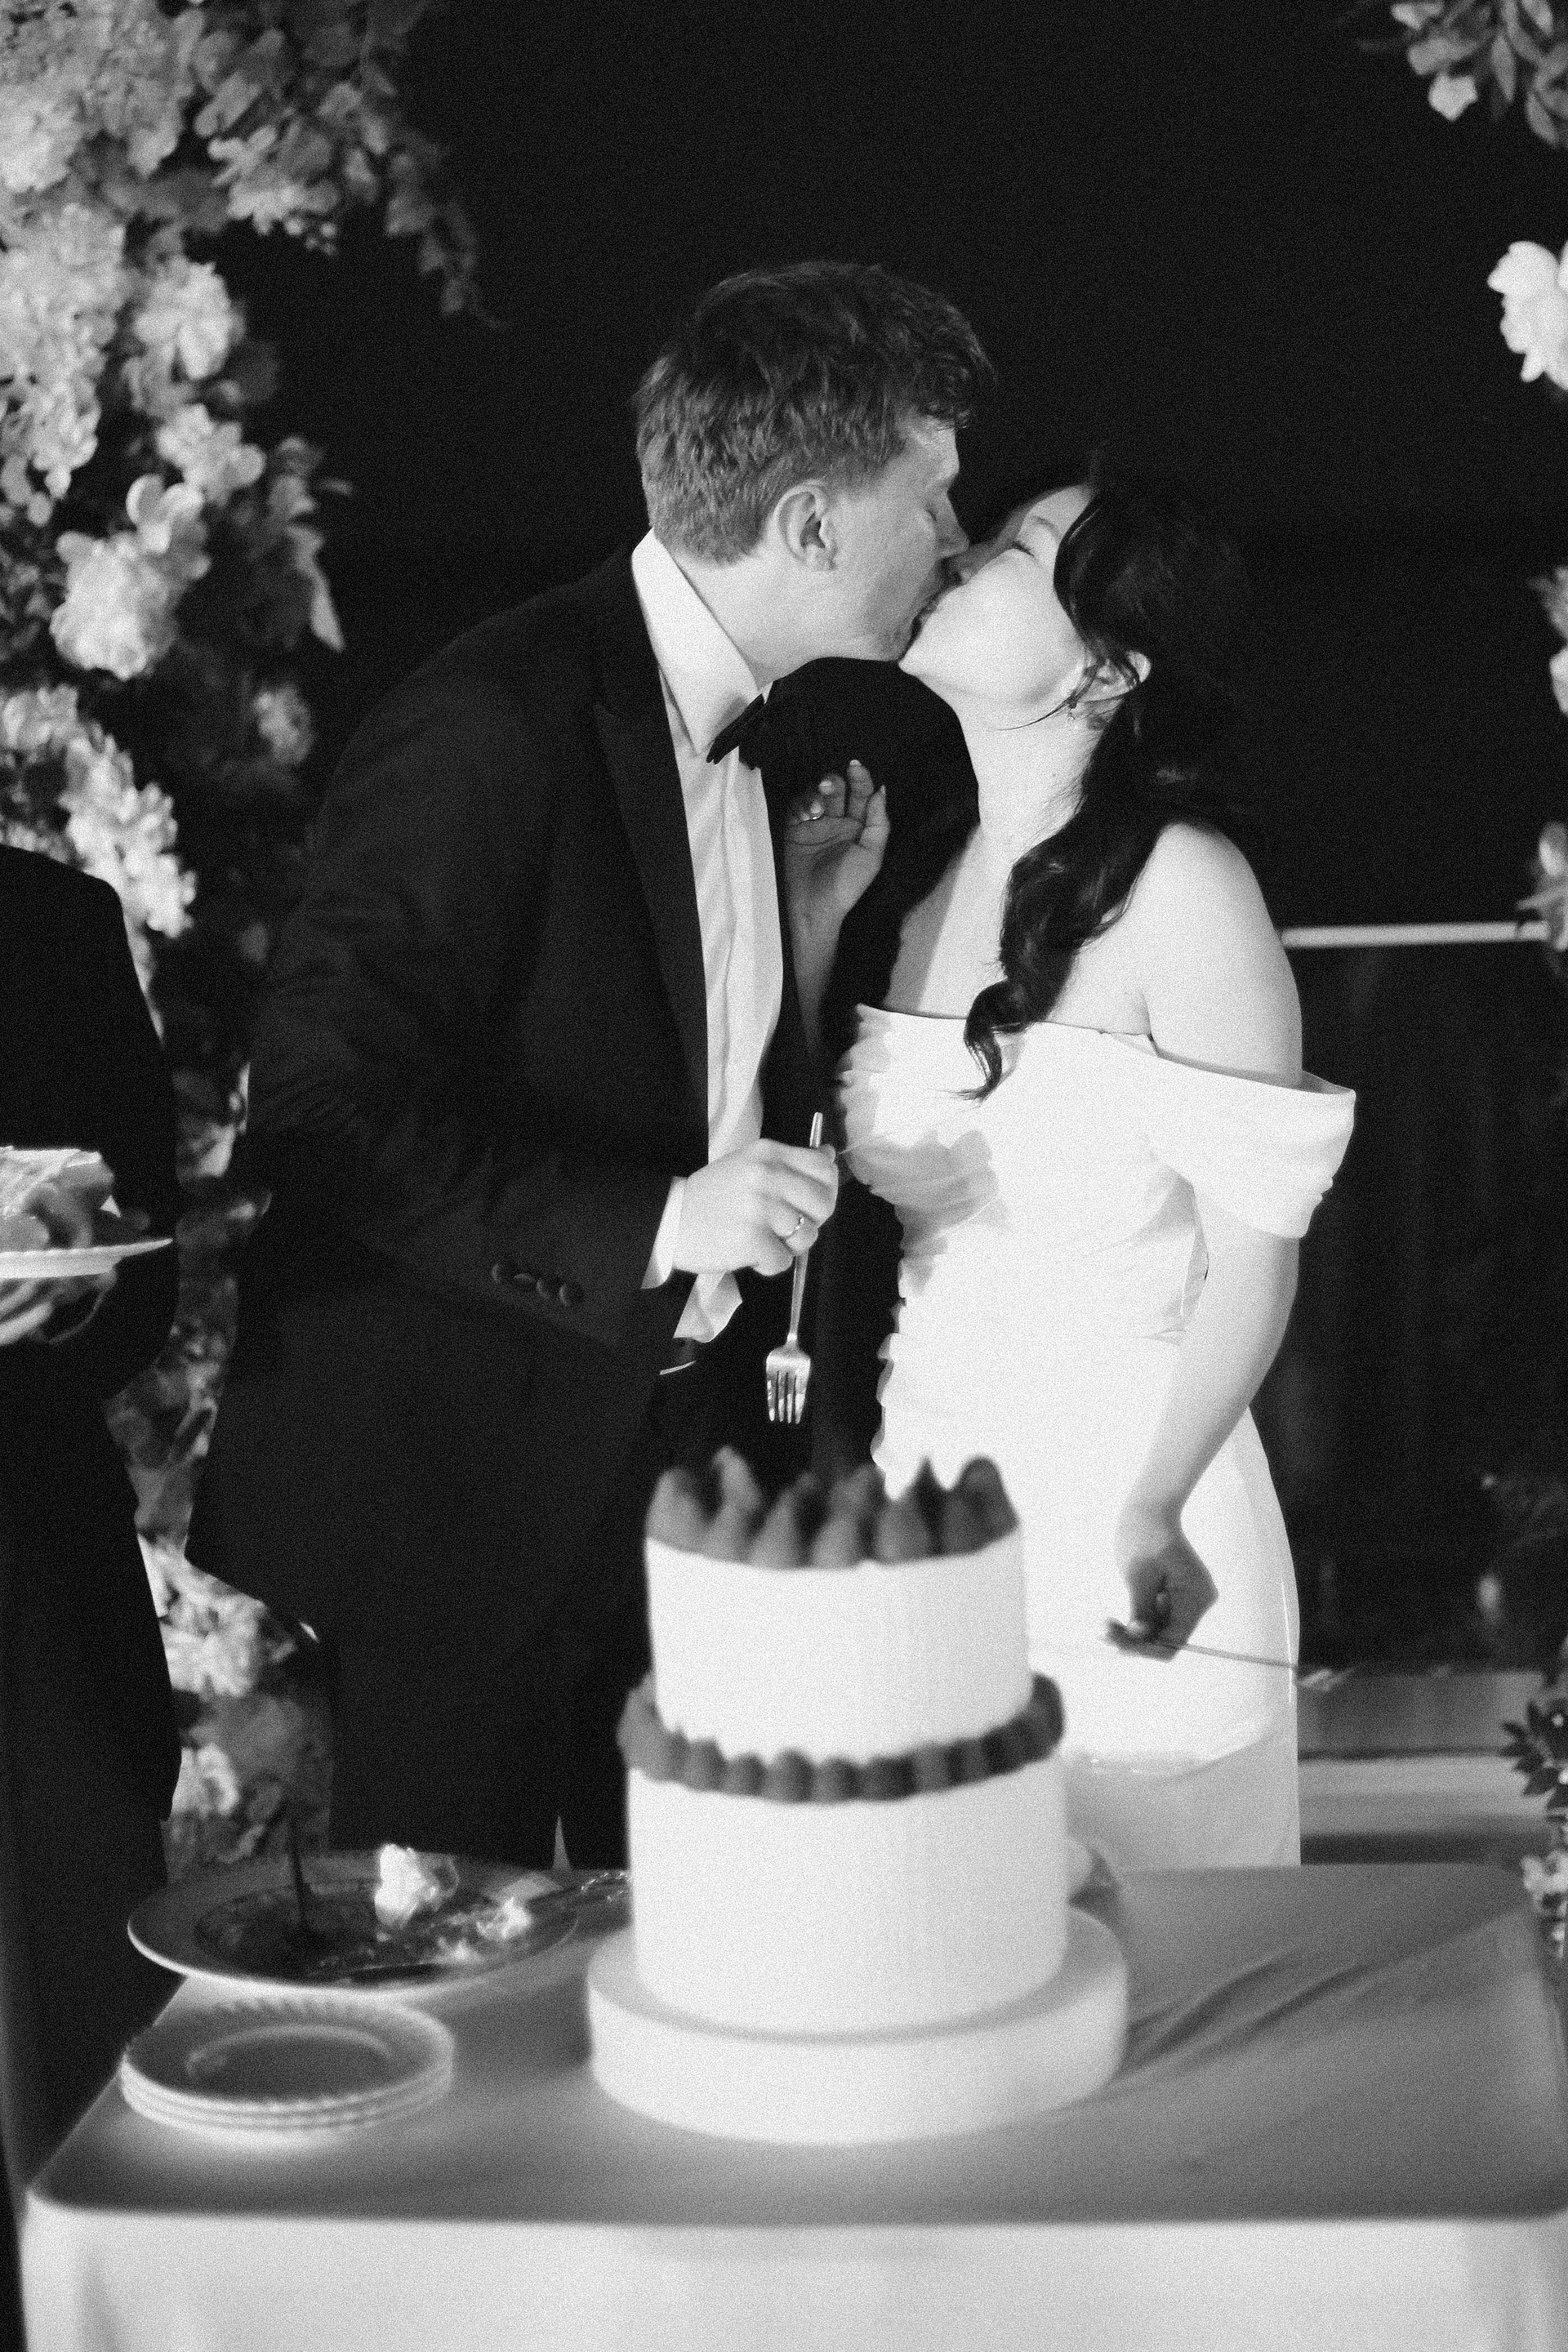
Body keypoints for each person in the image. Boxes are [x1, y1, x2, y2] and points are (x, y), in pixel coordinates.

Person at [188, 261, 987, 1869]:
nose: (958, 541)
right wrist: (662, 1221)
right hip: (465, 1498)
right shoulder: (492, 724)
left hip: (676, 1475)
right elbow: (327, 1113)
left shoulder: (771, 727)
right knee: (464, 1974)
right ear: (812, 525)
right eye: (933, 496)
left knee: (690, 1947)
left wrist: (802, 945)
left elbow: (662, 1049)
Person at [818, 463, 1354, 1869]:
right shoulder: (914, 876)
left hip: (1130, 1511)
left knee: (1161, 1957)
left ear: (1108, 667)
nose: (958, 557)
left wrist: (1156, 1500)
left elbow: (1253, 1258)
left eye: (1015, 550)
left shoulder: (1185, 887)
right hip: (928, 1509)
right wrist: (818, 928)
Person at [0, 847, 181, 2175]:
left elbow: (144, 1260)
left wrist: (67, 1301)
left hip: (36, 1566)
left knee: (86, 2041)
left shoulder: (53, 922)